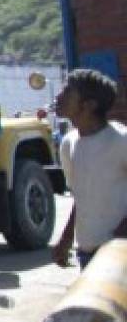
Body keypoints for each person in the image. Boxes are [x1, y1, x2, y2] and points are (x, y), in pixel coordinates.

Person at [51, 69, 127, 268]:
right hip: (86, 254)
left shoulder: (120, 141)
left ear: (89, 105)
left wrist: (119, 238)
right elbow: (81, 197)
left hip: (120, 254)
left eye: (68, 92)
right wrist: (66, 239)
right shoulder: (68, 144)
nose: (59, 96)